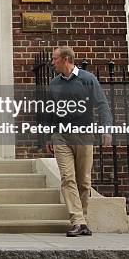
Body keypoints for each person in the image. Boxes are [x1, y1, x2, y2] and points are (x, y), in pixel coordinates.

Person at [45, 46, 113, 237]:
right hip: (61, 136)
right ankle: (77, 220)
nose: (52, 62)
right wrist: (47, 135)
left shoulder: (87, 79)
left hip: (83, 134)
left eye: (55, 59)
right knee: (68, 178)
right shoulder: (54, 83)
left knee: (83, 181)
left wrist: (106, 128)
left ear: (66, 59)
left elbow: (102, 104)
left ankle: (81, 219)